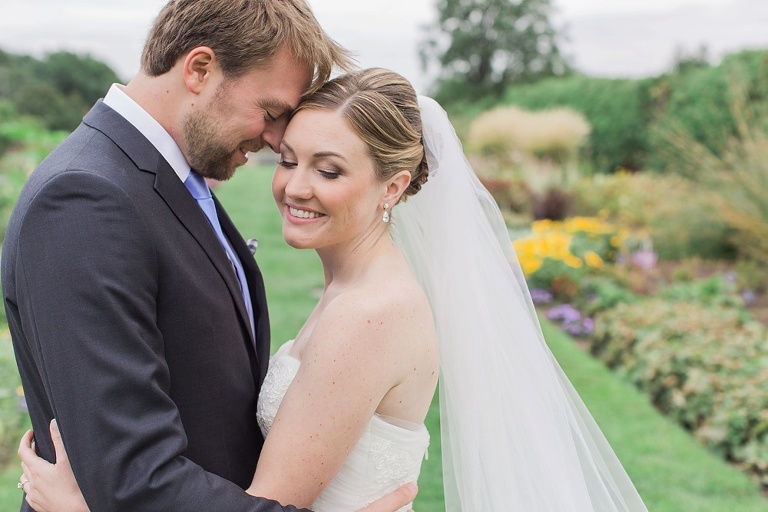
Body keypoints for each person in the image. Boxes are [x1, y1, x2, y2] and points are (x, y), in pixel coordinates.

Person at [19, 68, 649, 511]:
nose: (295, 187)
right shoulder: (353, 290)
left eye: (329, 170)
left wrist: (85, 510)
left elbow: (270, 505)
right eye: (289, 159)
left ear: (393, 187)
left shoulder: (370, 316)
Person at [3, 1, 417, 511]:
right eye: (270, 112)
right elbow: (133, 478)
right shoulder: (86, 199)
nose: (275, 139)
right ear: (200, 69)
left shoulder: (167, 180)